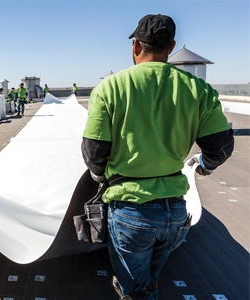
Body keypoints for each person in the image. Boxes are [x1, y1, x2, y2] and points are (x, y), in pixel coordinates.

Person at [81, 14, 234, 300]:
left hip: (130, 212)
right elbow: (220, 146)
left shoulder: (110, 87)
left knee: (134, 290)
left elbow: (93, 152)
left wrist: (101, 177)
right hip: (176, 214)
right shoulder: (199, 89)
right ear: (172, 46)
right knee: (150, 280)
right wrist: (204, 166)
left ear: (136, 46)